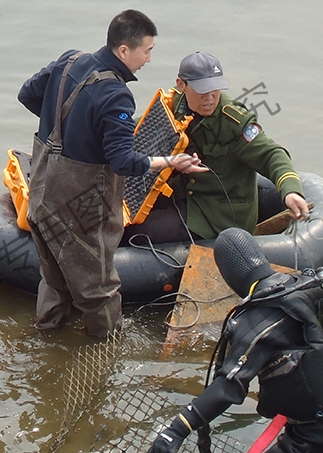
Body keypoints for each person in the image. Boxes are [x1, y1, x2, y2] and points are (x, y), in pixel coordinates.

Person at [17, 10, 207, 337]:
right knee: (99, 290)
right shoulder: (115, 94)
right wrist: (170, 163)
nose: (149, 58)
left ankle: (46, 340)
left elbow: (28, 94)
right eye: (146, 50)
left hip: (41, 194)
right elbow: (123, 163)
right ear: (123, 51)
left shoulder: (69, 62)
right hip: (82, 209)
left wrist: (67, 129)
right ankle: (106, 356)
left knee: (53, 279)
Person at [147, 227, 323, 453]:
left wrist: (176, 430)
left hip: (318, 438)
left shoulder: (259, 316)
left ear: (229, 275)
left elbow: (229, 386)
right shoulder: (303, 284)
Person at [123, 51, 309, 244]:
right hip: (179, 192)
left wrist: (291, 191)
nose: (210, 98)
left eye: (215, 90)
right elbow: (144, 126)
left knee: (137, 235)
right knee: (117, 218)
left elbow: (272, 155)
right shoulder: (176, 102)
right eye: (202, 91)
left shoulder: (234, 123)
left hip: (215, 213)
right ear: (182, 85)